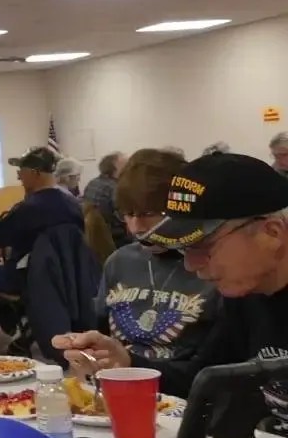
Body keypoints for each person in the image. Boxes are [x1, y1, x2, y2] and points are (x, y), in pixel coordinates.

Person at [55, 153, 288, 402]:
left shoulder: (242, 290)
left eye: (203, 246)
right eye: (185, 249)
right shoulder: (245, 296)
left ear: (271, 234)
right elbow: (202, 380)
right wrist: (126, 362)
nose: (190, 264)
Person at [94, 149, 220, 361]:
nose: (136, 227)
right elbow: (101, 328)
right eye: (129, 214)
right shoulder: (119, 261)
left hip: (186, 386)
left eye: (148, 214)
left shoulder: (212, 264)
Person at [0, 147, 84, 330]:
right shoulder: (73, 204)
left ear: (34, 173)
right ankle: (29, 319)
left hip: (27, 276)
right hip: (69, 276)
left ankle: (15, 322)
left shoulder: (29, 208)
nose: (19, 176)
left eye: (21, 171)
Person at [82, 152, 129, 247]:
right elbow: (125, 217)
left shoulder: (92, 183)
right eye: (125, 164)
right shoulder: (115, 188)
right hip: (114, 238)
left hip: (91, 236)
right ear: (115, 169)